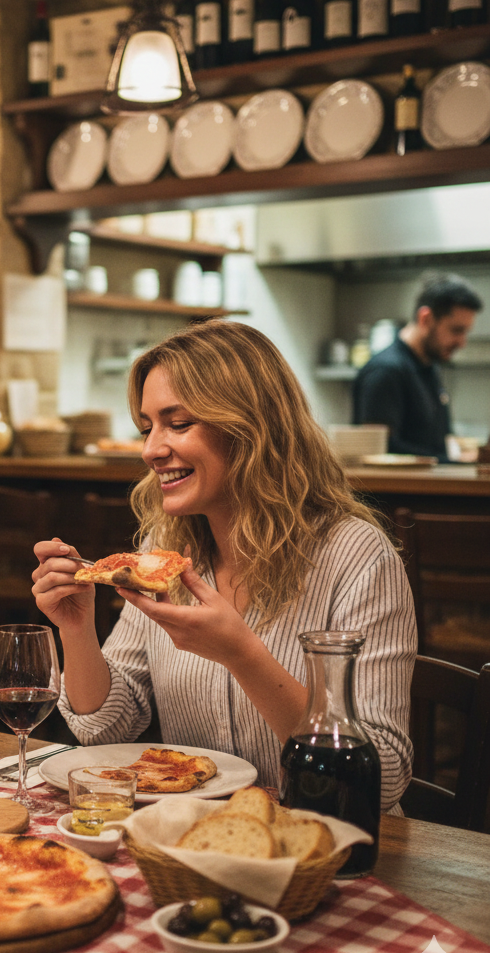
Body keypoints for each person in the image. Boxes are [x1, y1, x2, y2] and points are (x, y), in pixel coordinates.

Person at [32, 321, 414, 812]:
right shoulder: (163, 550)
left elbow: (380, 779)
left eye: (179, 423)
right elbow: (105, 727)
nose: (150, 450)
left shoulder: (357, 557)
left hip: (328, 845)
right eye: (147, 428)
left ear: (250, 427)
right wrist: (77, 629)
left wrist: (243, 655)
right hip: (191, 833)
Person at [353, 274, 483, 462]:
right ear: (426, 319)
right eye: (456, 330)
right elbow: (382, 450)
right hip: (398, 491)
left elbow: (435, 443)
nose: (462, 343)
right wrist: (452, 461)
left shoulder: (428, 367)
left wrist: (461, 456)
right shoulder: (386, 370)